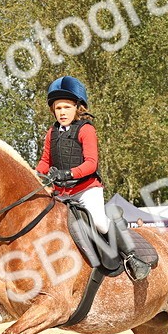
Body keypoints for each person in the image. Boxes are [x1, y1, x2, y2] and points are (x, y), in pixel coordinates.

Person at [36, 76, 151, 280]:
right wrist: (36, 175)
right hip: (61, 193)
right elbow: (45, 161)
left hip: (87, 189)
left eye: (67, 107)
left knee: (99, 222)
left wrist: (68, 173)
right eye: (58, 107)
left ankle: (132, 257)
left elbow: (91, 164)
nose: (62, 112)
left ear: (77, 107)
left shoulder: (86, 129)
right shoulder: (51, 133)